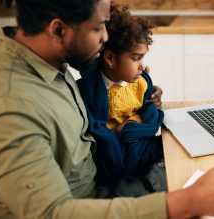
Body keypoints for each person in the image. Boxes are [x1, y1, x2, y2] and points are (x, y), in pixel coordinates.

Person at [0, 0, 214, 218]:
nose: (104, 39)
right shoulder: (8, 106)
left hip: (100, 185)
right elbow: (54, 213)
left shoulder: (45, 57)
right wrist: (188, 201)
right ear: (58, 29)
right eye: (99, 28)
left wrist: (137, 87)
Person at [77, 3, 165, 197]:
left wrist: (131, 126)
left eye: (143, 58)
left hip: (136, 140)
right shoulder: (89, 89)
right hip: (113, 152)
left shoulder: (140, 83)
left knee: (168, 146)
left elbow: (149, 111)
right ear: (110, 59)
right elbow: (95, 131)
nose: (142, 66)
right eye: (136, 58)